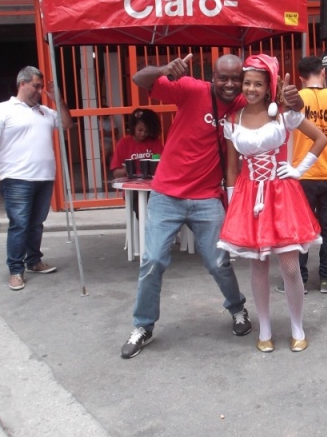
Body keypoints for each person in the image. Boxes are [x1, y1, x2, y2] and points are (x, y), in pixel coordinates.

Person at [121, 53, 304, 359]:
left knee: (219, 263)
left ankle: (238, 309)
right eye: (224, 78)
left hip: (207, 197)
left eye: (238, 79)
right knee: (152, 260)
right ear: (212, 77)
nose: (232, 85)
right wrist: (164, 70)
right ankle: (143, 326)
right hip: (167, 193)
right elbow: (140, 79)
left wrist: (293, 100)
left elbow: (287, 114)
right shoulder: (190, 89)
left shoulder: (245, 105)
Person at [217, 55, 327, 353]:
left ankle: (297, 326)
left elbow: (319, 138)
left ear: (268, 88)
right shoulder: (232, 120)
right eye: (247, 83)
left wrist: (298, 170)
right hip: (248, 196)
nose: (250, 89)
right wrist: (231, 205)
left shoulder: (284, 115)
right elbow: (231, 168)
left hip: (283, 195)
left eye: (258, 84)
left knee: (290, 268)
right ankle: (264, 328)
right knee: (258, 266)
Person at [0, 66, 72, 292]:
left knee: (36, 224)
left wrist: (57, 98)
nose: (39, 91)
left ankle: (33, 261)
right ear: (22, 83)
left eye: (41, 87)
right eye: (36, 86)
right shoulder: (3, 110)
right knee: (19, 225)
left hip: (43, 177)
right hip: (16, 178)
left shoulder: (45, 111)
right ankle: (15, 270)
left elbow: (67, 124)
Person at [284, 56, 327, 294]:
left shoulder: (295, 99)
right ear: (323, 73)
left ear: (300, 77)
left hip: (301, 173)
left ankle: (299, 280)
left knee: (300, 229)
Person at [110, 108, 164, 179]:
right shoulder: (123, 143)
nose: (143, 134)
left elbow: (164, 165)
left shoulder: (155, 142)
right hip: (130, 187)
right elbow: (116, 174)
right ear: (133, 127)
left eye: (147, 131)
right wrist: (127, 169)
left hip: (151, 185)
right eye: (140, 130)